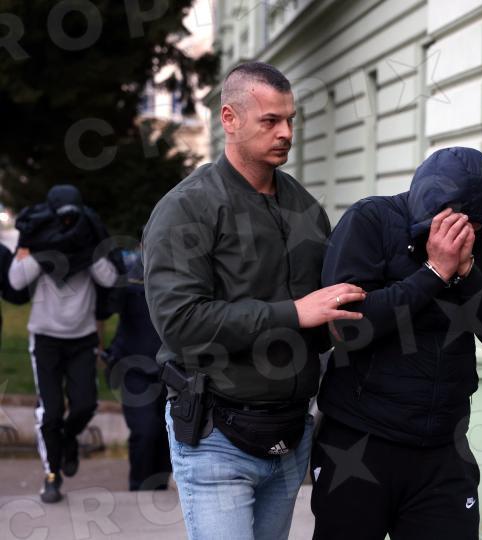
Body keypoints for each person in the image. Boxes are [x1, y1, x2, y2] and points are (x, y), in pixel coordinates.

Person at [143, 61, 365, 540]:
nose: (286, 133)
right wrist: (295, 313)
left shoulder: (305, 208)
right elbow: (180, 323)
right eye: (270, 121)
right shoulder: (186, 208)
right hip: (214, 436)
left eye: (290, 120)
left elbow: (322, 321)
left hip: (291, 434)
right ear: (230, 118)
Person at [310, 147, 482, 539]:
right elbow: (348, 329)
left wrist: (468, 273)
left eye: (479, 225)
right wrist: (434, 273)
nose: (470, 232)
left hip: (443, 445)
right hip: (360, 439)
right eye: (465, 222)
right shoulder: (369, 220)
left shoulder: (480, 238)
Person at [8, 184, 119, 503]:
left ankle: (68, 439)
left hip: (82, 339)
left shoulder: (88, 238)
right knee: (51, 411)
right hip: (45, 339)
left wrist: (84, 251)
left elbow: (110, 278)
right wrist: (44, 250)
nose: (67, 225)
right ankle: (51, 476)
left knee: (85, 405)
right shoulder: (38, 237)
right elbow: (15, 280)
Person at [104, 233, 172, 491]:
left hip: (170, 369)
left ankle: (159, 487)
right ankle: (140, 490)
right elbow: (105, 306)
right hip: (133, 368)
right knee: (145, 431)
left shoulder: (179, 277)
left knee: (167, 432)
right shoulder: (129, 277)